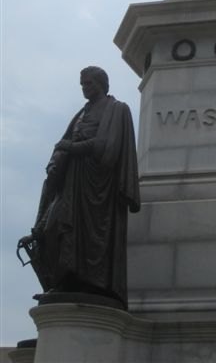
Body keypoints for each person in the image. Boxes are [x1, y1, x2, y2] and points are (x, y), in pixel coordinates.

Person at [19, 67, 140, 308]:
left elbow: (109, 147)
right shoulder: (81, 113)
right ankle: (63, 280)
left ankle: (90, 285)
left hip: (98, 187)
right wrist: (57, 160)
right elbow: (63, 144)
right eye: (82, 84)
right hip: (72, 181)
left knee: (91, 235)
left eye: (89, 83)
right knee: (54, 229)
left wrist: (71, 148)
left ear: (102, 84)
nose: (85, 88)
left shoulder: (117, 109)